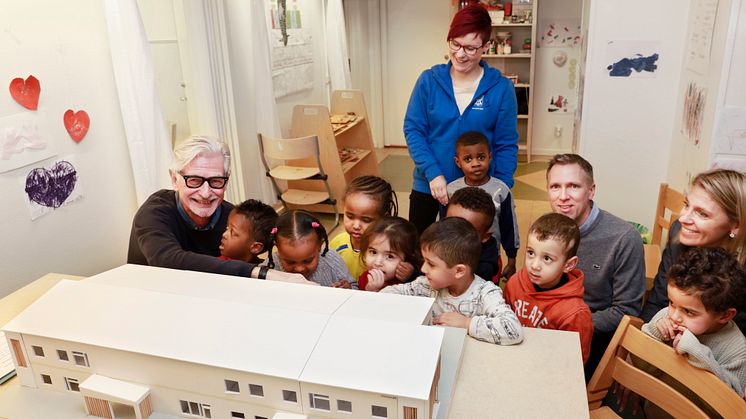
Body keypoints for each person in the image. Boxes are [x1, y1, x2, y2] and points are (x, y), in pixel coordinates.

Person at [404, 4, 518, 235]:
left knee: (470, 258)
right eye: (455, 43)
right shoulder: (429, 80)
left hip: (477, 192)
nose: (460, 54)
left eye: (470, 48)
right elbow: (414, 130)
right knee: (418, 252)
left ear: (486, 46)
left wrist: (500, 187)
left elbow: (506, 144)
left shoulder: (501, 88)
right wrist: (433, 173)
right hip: (429, 184)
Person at [127, 135, 301, 282]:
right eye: (194, 180)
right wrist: (260, 273)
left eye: (216, 181)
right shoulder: (153, 213)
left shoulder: (232, 218)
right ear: (174, 179)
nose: (205, 193)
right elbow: (167, 259)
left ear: (226, 180)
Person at [545, 153, 645, 379]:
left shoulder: (624, 238)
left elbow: (626, 311)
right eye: (555, 187)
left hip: (592, 338)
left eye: (573, 186)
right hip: (547, 329)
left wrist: (568, 326)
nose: (563, 197)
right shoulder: (545, 228)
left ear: (591, 190)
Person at [381, 217, 523, 345]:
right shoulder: (425, 285)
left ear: (459, 271)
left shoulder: (485, 293)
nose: (423, 268)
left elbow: (513, 329)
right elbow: (387, 294)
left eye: (431, 264)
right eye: (424, 261)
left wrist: (467, 323)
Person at [642, 169, 746, 334]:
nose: (683, 218)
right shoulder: (679, 234)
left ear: (736, 225)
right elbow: (657, 301)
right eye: (686, 205)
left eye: (702, 214)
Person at [642, 247, 746, 394]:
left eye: (689, 312)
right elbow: (639, 364)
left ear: (725, 316)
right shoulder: (665, 316)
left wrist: (696, 352)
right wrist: (654, 332)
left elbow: (730, 399)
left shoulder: (738, 350)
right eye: (671, 302)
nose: (674, 316)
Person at [503, 213, 594, 364]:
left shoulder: (575, 314)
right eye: (531, 253)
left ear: (569, 265)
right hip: (511, 359)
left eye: (547, 258)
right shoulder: (515, 283)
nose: (535, 265)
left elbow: (575, 362)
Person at [446, 131, 519, 279]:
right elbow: (442, 226)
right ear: (458, 162)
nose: (476, 164)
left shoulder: (501, 190)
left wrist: (512, 260)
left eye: (481, 157)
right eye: (468, 159)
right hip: (455, 258)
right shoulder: (451, 191)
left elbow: (509, 227)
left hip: (490, 257)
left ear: (490, 157)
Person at [330, 176, 415, 281]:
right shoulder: (337, 243)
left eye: (366, 220)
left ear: (384, 218)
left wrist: (408, 275)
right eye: (350, 216)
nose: (356, 226)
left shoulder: (394, 247)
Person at [265, 210, 357, 289]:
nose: (300, 269)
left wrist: (348, 288)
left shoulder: (331, 259)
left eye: (308, 261)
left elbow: (355, 287)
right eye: (290, 262)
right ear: (277, 248)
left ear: (320, 246)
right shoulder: (270, 266)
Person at [446, 187, 503, 281]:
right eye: (449, 223)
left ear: (485, 237)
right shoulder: (434, 240)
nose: (453, 233)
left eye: (465, 231)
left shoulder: (483, 268)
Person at [358, 217, 421, 292]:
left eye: (390, 256)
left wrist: (412, 276)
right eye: (373, 252)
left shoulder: (412, 284)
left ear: (407, 259)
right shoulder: (364, 279)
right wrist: (370, 291)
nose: (378, 263)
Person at [218, 199, 278, 264]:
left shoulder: (264, 270)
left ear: (255, 247)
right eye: (227, 228)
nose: (224, 234)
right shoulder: (217, 264)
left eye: (233, 233)